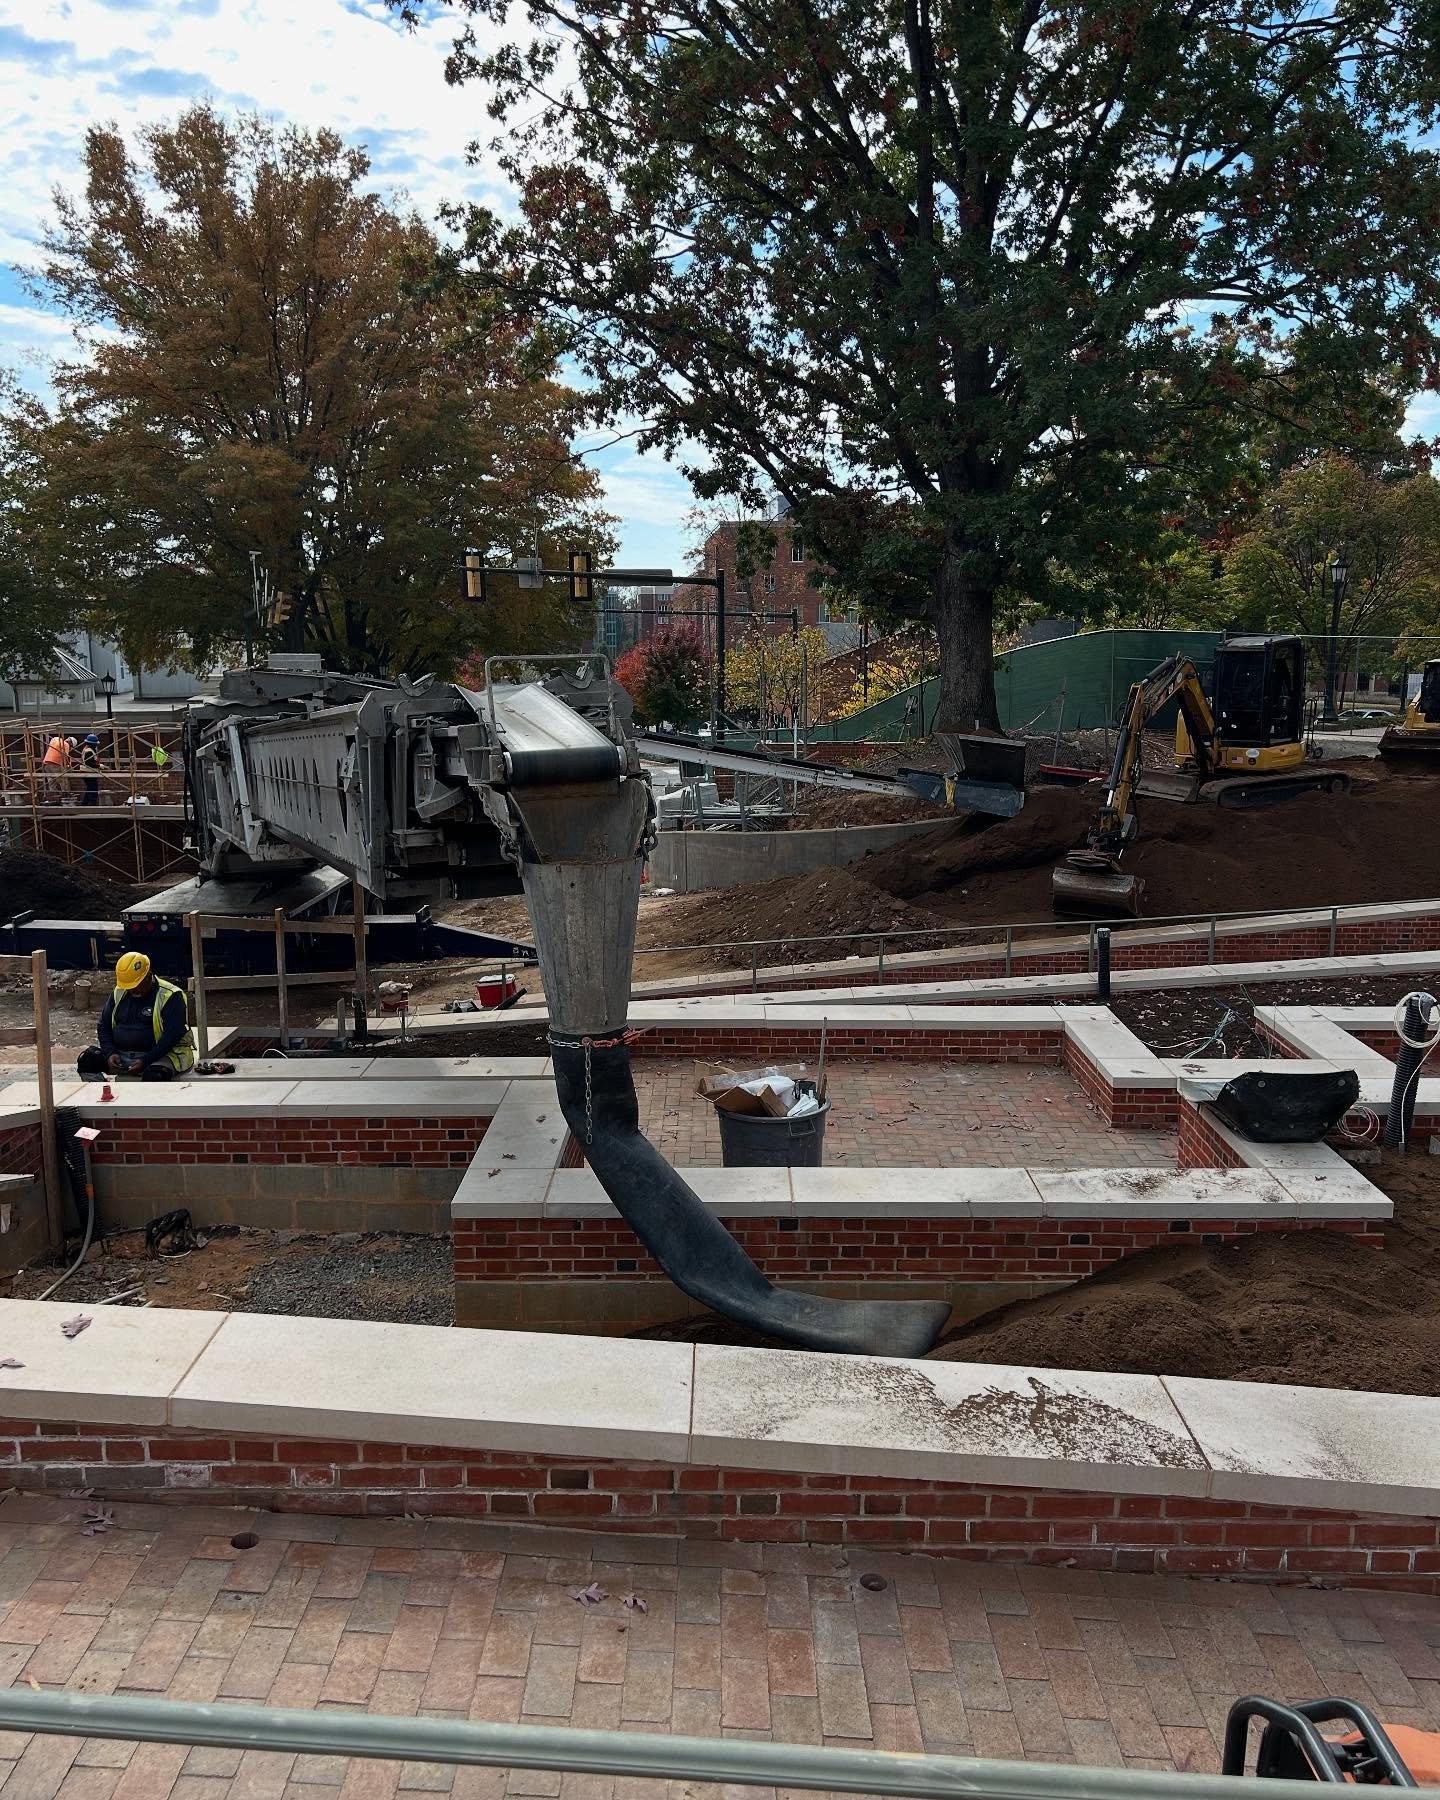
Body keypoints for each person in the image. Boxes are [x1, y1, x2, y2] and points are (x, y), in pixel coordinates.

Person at [76, 952, 196, 1082]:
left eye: (136, 985)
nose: (133, 990)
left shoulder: (171, 996)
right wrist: (110, 1053)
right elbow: (103, 1025)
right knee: (87, 1060)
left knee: (155, 1075)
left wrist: (145, 1061)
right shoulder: (120, 991)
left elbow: (170, 1038)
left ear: (148, 976)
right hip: (122, 1056)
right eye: (129, 987)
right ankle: (108, 1097)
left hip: (160, 1056)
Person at [79, 734, 102, 806]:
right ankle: (92, 805)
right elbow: (89, 763)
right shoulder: (89, 751)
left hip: (89, 772)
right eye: (95, 744)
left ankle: (84, 804)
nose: (96, 746)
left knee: (90, 788)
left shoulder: (88, 749)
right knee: (93, 789)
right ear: (92, 744)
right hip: (88, 772)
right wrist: (99, 766)